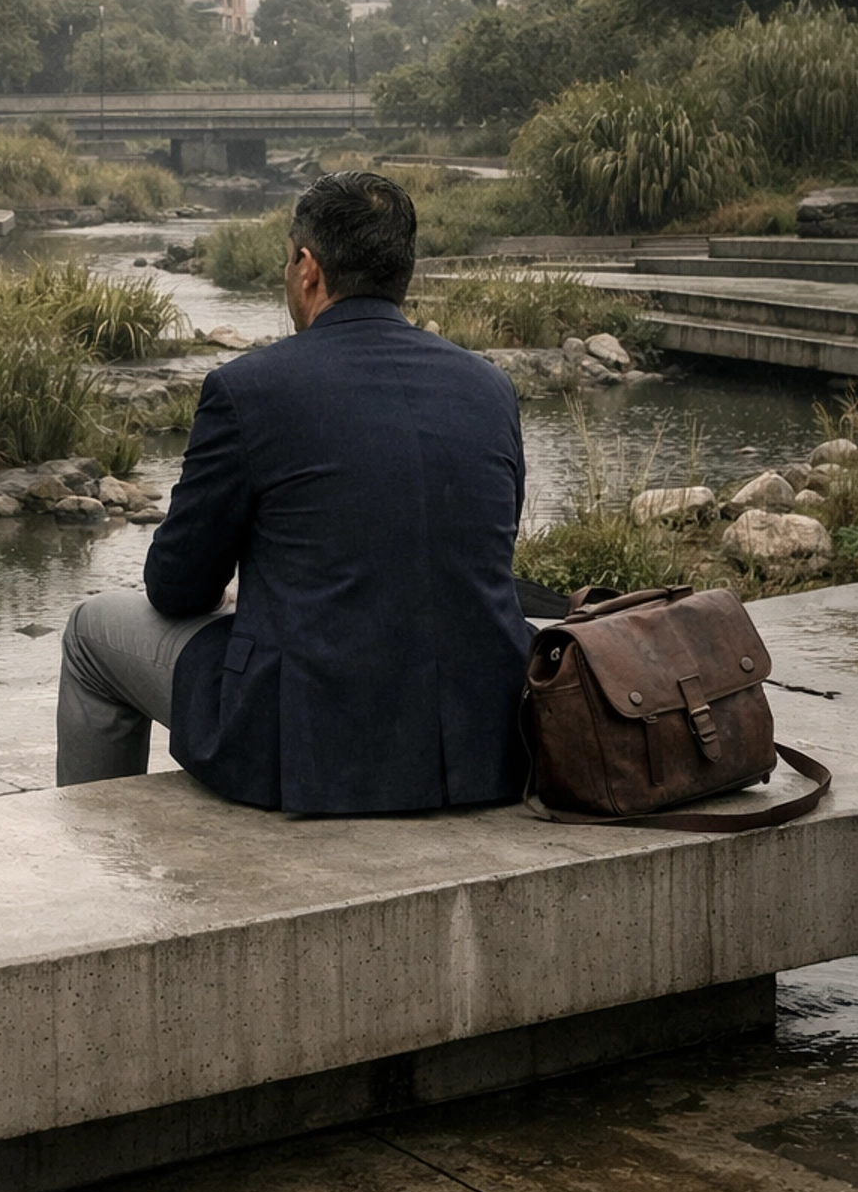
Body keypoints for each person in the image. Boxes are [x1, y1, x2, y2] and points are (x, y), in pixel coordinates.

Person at [56, 170, 532, 813]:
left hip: (315, 746)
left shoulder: (249, 389)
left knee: (90, 633)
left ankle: (90, 850)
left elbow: (176, 586)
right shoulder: (490, 388)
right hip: (483, 743)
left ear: (308, 268)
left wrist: (244, 595)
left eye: (287, 260)